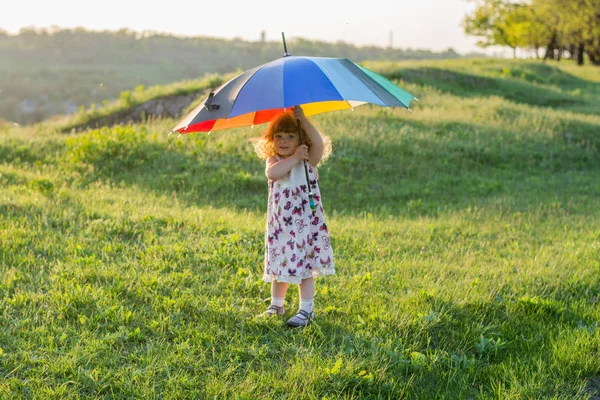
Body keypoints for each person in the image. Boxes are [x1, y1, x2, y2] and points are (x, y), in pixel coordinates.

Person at [251, 106, 334, 327]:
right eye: (279, 136)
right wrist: (294, 158)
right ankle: (276, 305)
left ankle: (306, 310)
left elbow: (319, 144)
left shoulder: (308, 160)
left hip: (304, 227)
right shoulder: (274, 160)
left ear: (301, 138)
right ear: (271, 139)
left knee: (304, 267)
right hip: (280, 228)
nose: (284, 141)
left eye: (290, 136)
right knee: (278, 265)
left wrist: (303, 120)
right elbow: (273, 174)